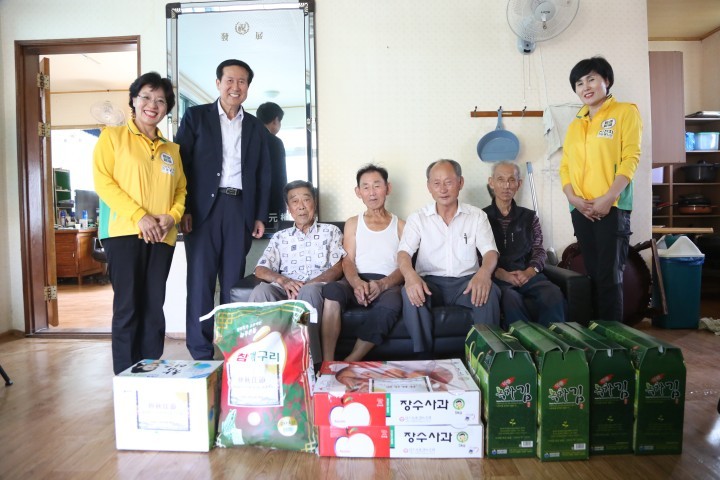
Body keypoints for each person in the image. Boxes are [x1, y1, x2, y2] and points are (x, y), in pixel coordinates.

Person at [176, 59, 271, 360]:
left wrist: (259, 215)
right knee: (200, 282)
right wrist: (185, 208)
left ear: (248, 87)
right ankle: (201, 351)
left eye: (242, 81)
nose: (235, 87)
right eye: (230, 80)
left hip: (239, 209)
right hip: (202, 211)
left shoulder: (255, 127)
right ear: (218, 83)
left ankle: (232, 348)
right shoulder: (196, 117)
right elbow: (181, 165)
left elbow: (263, 173)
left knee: (233, 282)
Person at [93, 72, 187, 375]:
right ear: (133, 100)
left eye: (160, 100)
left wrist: (171, 216)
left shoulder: (172, 150)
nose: (152, 105)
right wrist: (139, 216)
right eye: (146, 97)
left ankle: (149, 370)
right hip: (123, 233)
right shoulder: (112, 137)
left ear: (167, 108)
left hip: (162, 236)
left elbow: (181, 190)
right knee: (128, 306)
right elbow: (104, 183)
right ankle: (125, 375)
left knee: (153, 306)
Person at [560, 56, 642, 322]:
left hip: (612, 206)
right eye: (579, 83)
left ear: (606, 80)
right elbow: (565, 166)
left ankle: (612, 338)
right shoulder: (575, 124)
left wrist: (609, 197)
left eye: (591, 79)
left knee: (609, 275)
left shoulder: (625, 112)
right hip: (580, 208)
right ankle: (596, 332)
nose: (585, 86)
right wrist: (573, 198)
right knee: (593, 274)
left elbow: (631, 158)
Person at [398, 159, 501, 355]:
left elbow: (490, 252)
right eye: (436, 183)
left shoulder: (477, 216)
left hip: (466, 283)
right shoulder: (418, 218)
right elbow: (403, 253)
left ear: (460, 183)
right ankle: (424, 358)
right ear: (429, 187)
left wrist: (484, 273)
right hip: (430, 284)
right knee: (410, 292)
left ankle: (485, 358)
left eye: (449, 182)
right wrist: (410, 276)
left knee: (490, 291)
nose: (443, 189)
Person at [249, 180, 345, 363]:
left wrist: (308, 285)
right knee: (261, 291)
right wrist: (283, 281)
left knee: (308, 291)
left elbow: (339, 267)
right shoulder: (280, 237)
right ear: (289, 208)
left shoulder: (331, 231)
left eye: (306, 199)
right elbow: (260, 269)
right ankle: (262, 359)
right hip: (285, 288)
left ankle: (309, 362)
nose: (301, 206)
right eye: (295, 201)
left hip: (316, 288)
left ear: (314, 203)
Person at [321, 165, 405, 362]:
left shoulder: (401, 225)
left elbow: (405, 266)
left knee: (394, 301)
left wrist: (383, 284)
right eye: (366, 187)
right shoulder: (353, 223)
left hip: (387, 283)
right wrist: (357, 283)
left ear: (388, 188)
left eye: (377, 185)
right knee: (332, 291)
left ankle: (351, 361)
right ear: (358, 192)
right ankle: (328, 362)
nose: (372, 192)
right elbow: (348, 260)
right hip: (356, 280)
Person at [483, 161, 566, 327]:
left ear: (519, 184)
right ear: (491, 182)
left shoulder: (529, 217)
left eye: (511, 180)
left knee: (553, 293)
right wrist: (500, 273)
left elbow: (539, 250)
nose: (506, 186)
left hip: (527, 274)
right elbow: (478, 255)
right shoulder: (481, 217)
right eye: (500, 179)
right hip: (499, 277)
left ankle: (553, 341)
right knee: (510, 299)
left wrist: (529, 271)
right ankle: (523, 341)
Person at [256, 102, 288, 223]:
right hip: (271, 201)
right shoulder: (274, 142)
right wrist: (283, 203)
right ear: (275, 120)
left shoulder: (247, 138)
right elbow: (279, 176)